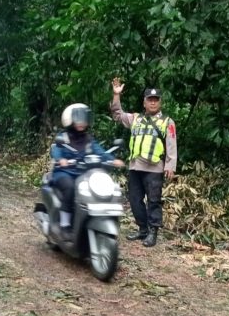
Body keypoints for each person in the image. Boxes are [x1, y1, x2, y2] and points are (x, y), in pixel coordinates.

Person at [110, 77, 177, 247]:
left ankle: (153, 231)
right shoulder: (136, 118)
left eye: (156, 100)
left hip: (154, 168)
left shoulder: (167, 122)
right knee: (134, 199)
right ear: (144, 102)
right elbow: (117, 115)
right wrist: (116, 95)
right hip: (135, 167)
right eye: (150, 100)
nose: (153, 103)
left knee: (154, 200)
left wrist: (170, 166)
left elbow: (171, 144)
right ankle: (142, 229)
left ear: (160, 103)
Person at [50, 103, 125, 238]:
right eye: (78, 119)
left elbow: (100, 152)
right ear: (70, 119)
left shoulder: (88, 139)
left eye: (84, 119)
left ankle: (86, 221)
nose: (81, 122)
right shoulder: (63, 137)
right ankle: (65, 225)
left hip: (83, 173)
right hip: (64, 173)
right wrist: (61, 159)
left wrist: (112, 160)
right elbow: (56, 150)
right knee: (70, 188)